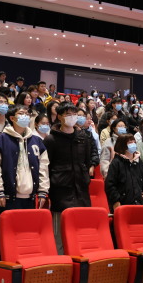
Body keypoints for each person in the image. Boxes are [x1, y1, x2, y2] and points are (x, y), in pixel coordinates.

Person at [43, 102, 94, 254]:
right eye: (68, 114)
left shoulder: (83, 138)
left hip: (81, 190)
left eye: (74, 114)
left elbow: (86, 161)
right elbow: (46, 166)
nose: (72, 117)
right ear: (59, 117)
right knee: (59, 233)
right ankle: (59, 261)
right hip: (61, 190)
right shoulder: (51, 139)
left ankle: (79, 261)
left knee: (79, 231)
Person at [0, 104, 50, 220]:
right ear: (12, 118)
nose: (25, 116)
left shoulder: (36, 141)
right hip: (7, 198)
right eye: (21, 114)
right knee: (7, 229)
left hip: (31, 198)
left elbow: (44, 168)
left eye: (27, 114)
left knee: (27, 229)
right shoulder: (1, 140)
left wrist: (43, 191)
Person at [105, 134, 143, 209]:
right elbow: (110, 185)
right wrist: (116, 201)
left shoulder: (140, 163)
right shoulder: (116, 163)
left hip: (139, 204)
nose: (133, 144)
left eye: (134, 142)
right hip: (122, 205)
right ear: (122, 145)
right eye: (130, 142)